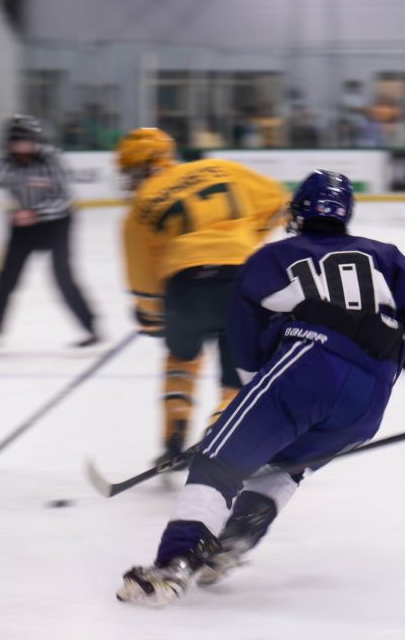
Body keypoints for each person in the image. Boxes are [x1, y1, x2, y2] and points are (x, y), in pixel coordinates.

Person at [117, 170, 405, 605]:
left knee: (219, 459)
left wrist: (254, 408)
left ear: (299, 212)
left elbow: (246, 344)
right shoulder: (385, 255)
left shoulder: (273, 257)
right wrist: (385, 362)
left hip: (307, 365)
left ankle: (175, 563)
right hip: (371, 398)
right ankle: (232, 543)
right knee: (286, 464)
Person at [117, 127, 289, 472]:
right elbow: (279, 203)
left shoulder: (140, 207)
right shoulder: (222, 169)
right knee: (236, 375)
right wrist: (241, 240)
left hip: (184, 289)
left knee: (181, 359)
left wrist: (152, 314)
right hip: (239, 281)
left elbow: (144, 277)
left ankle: (174, 437)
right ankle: (222, 440)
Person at [0, 115, 98, 347]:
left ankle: (91, 327)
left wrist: (36, 214)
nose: (22, 149)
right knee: (6, 278)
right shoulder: (2, 163)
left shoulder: (52, 159)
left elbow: (65, 199)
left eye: (27, 142)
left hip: (56, 223)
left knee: (63, 277)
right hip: (22, 225)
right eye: (17, 143)